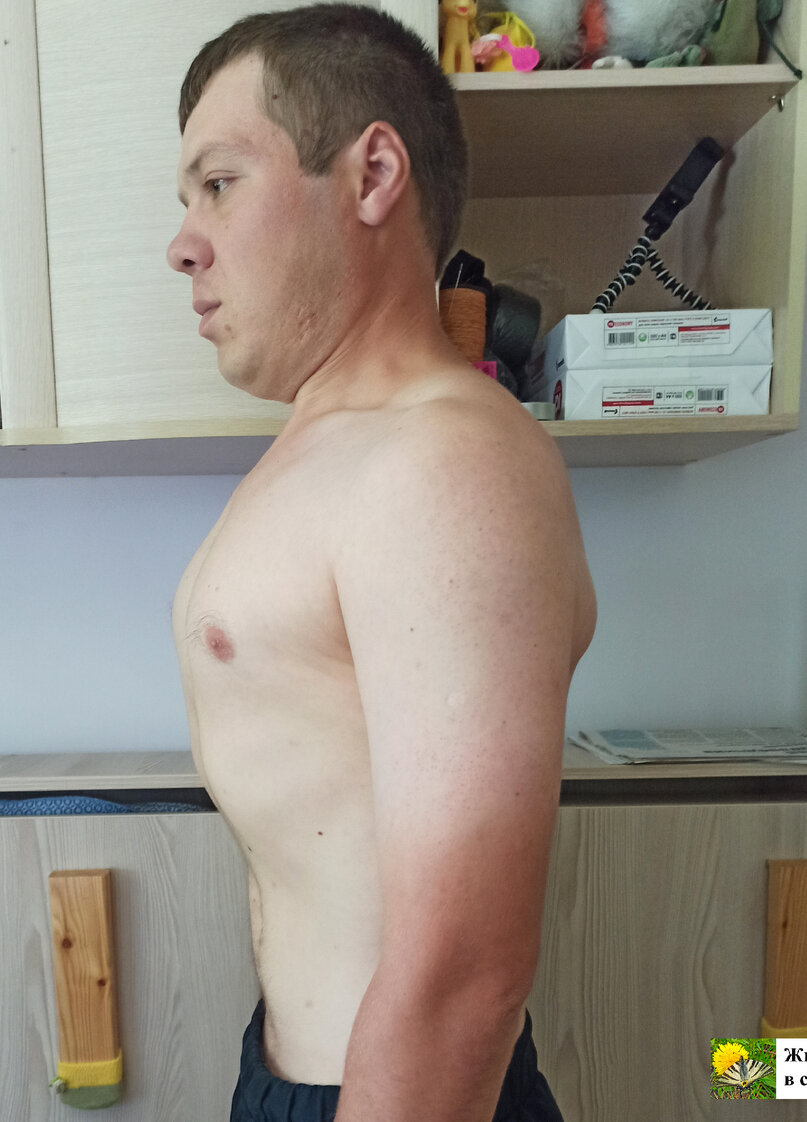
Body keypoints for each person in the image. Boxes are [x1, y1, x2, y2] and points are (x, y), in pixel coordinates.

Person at [166, 5, 596, 1120]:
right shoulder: (335, 448)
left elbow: (466, 973)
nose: (184, 244)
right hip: (301, 1076)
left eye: (220, 184)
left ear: (371, 176)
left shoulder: (443, 465)